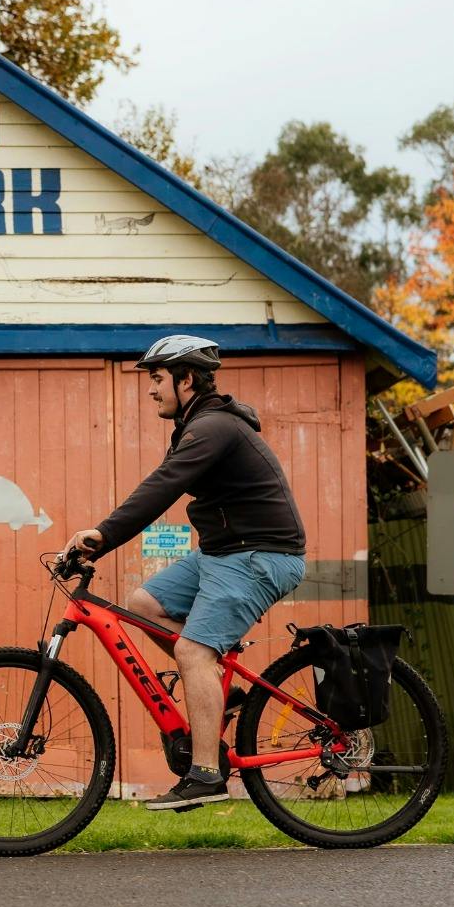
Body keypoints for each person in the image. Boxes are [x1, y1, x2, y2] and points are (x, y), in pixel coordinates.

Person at [63, 335, 306, 812]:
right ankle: (220, 689)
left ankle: (207, 774)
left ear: (186, 379)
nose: (152, 390)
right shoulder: (200, 426)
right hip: (222, 552)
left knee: (194, 650)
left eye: (157, 379)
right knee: (144, 605)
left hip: (260, 555)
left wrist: (102, 535)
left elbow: (161, 487)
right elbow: (164, 482)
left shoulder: (213, 427)